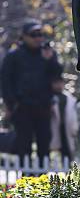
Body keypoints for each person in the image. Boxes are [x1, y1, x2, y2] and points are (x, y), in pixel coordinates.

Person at [0, 20, 62, 167]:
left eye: (40, 34)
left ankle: (43, 177)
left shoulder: (47, 53)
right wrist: (11, 104)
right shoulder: (14, 56)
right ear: (24, 36)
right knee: (24, 143)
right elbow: (5, 82)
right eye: (33, 35)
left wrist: (50, 61)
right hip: (22, 108)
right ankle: (26, 179)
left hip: (43, 106)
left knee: (44, 142)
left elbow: (57, 76)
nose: (38, 38)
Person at [49, 77, 79, 163]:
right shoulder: (50, 97)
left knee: (67, 152)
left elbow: (73, 115)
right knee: (49, 149)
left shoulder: (69, 98)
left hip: (66, 128)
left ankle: (68, 171)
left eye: (60, 83)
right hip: (54, 127)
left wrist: (74, 128)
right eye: (56, 83)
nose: (59, 85)